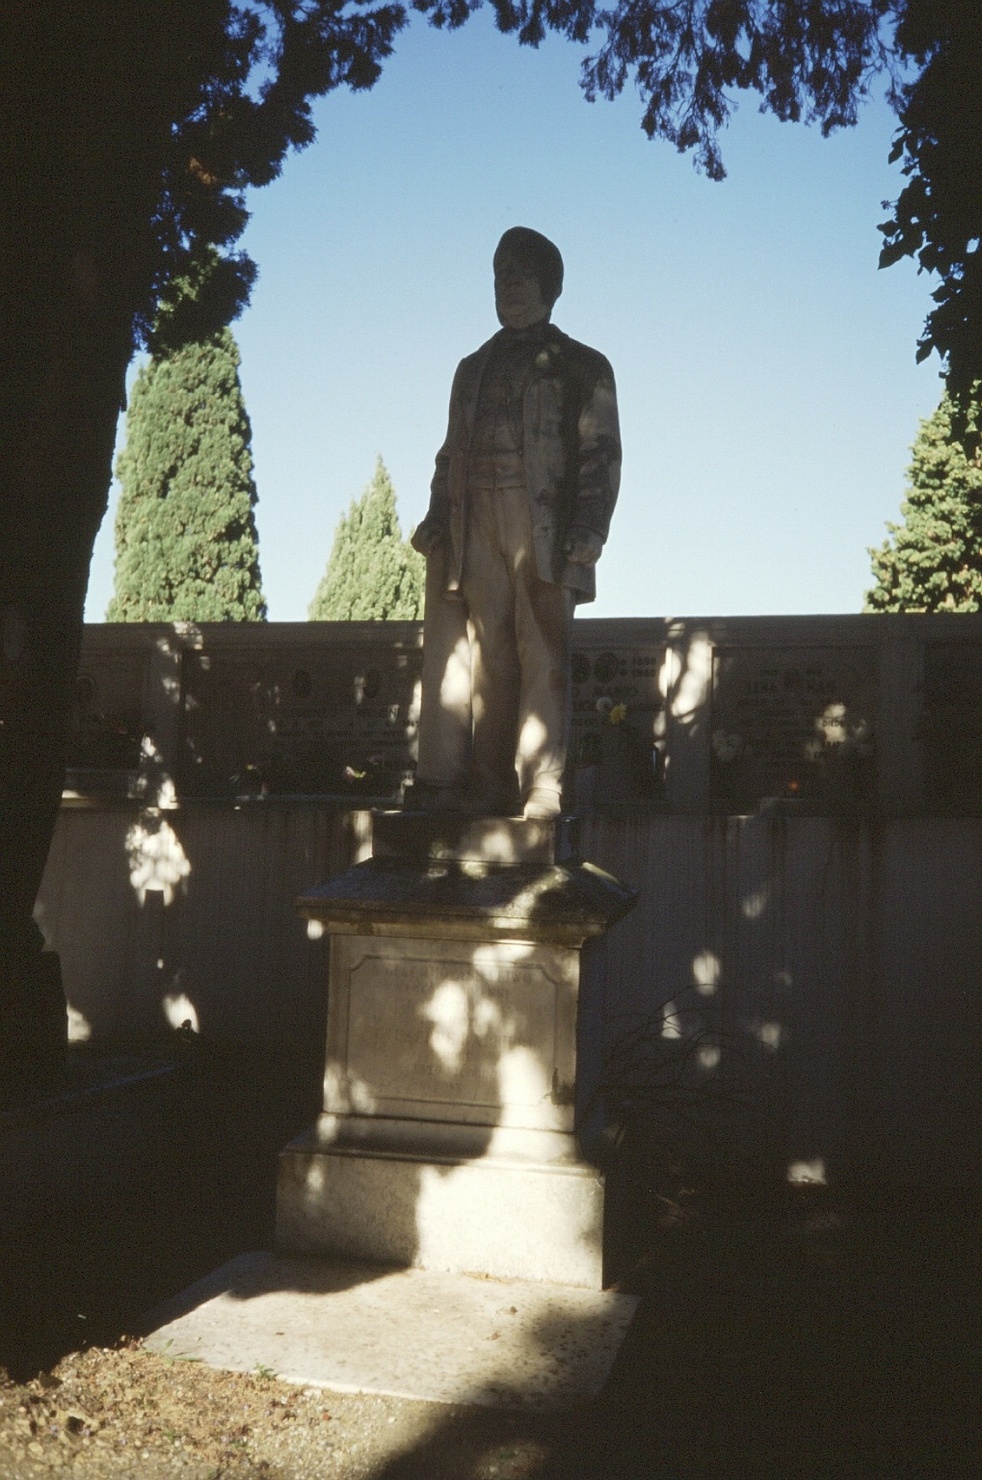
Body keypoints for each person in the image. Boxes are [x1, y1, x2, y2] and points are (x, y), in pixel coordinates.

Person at [410, 227, 621, 819]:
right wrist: (436, 514)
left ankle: (543, 783)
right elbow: (450, 452)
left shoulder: (584, 365)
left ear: (549, 288)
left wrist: (590, 527)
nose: (508, 286)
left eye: (521, 275)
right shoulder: (471, 367)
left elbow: (601, 452)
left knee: (542, 650)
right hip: (475, 515)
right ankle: (487, 779)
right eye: (501, 275)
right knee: (488, 655)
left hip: (542, 521)